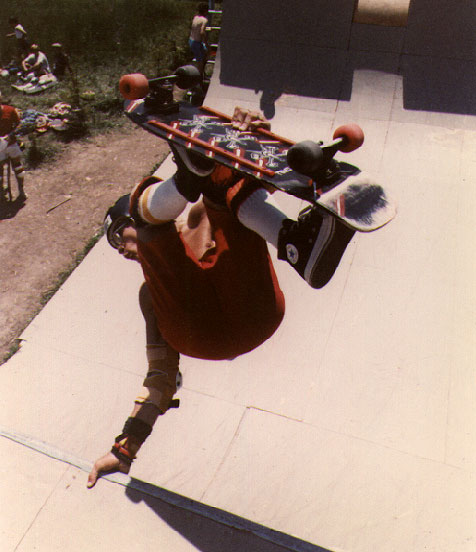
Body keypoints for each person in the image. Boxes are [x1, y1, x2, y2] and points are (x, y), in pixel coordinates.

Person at [87, 108, 354, 487]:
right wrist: (124, 449)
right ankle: (189, 178)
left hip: (255, 312)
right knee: (203, 204)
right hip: (210, 333)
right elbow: (160, 377)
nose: (121, 250)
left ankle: (299, 244)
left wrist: (246, 141)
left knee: (223, 190)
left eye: (118, 236)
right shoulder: (157, 294)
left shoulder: (197, 217)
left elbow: (263, 180)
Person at [0, 94, 26, 201]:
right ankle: (1, 192)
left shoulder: (10, 110)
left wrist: (11, 135)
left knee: (18, 167)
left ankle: (21, 190)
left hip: (11, 143)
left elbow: (19, 125)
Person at [189, 2, 209, 77]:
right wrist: (206, 43)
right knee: (200, 62)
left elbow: (196, 28)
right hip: (196, 43)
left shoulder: (195, 17)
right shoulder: (204, 20)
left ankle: (202, 74)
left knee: (205, 53)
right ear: (205, 11)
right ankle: (198, 78)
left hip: (192, 40)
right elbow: (202, 32)